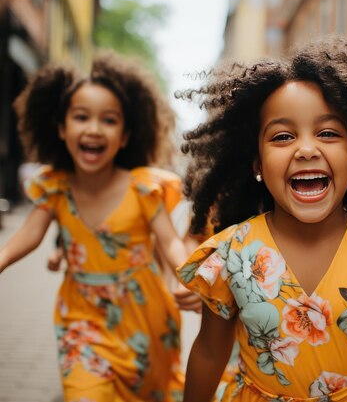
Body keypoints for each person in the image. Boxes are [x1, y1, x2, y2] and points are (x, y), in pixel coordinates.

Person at [175, 37, 347, 402]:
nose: (306, 149)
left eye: (327, 133)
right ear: (257, 165)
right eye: (283, 136)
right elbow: (209, 352)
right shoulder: (230, 254)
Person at [0, 51, 200, 402]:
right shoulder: (55, 186)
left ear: (124, 136)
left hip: (145, 318)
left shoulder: (143, 187)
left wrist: (190, 278)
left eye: (109, 120)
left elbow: (170, 243)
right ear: (61, 129)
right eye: (81, 117)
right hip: (80, 316)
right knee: (85, 393)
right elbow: (30, 234)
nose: (93, 128)